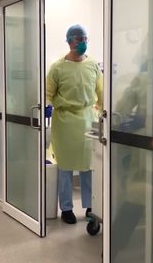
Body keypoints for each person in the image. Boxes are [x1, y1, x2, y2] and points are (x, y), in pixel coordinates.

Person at [45, 24, 103, 224]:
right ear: (69, 41)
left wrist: (106, 113)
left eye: (85, 39)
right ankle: (67, 208)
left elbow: (101, 92)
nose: (83, 43)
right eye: (79, 40)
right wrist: (47, 105)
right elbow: (48, 93)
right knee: (66, 168)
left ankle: (90, 206)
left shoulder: (93, 65)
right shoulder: (58, 68)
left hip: (88, 120)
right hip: (65, 121)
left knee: (89, 166)